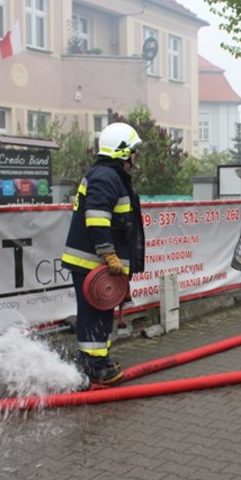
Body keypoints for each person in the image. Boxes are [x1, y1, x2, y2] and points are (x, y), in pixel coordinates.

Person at [62, 122, 145, 386]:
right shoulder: (105, 177)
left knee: (101, 313)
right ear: (122, 152)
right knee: (93, 314)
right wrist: (109, 255)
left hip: (97, 264)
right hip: (92, 263)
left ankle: (100, 360)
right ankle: (93, 368)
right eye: (132, 150)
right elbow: (96, 218)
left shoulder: (109, 176)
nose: (134, 156)